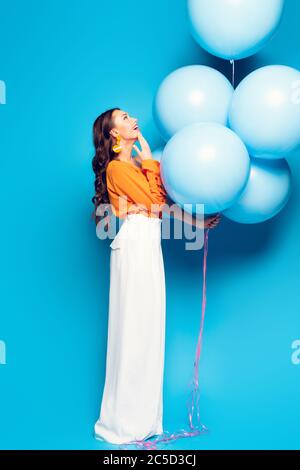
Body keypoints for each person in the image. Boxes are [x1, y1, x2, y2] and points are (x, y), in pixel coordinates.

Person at [91, 107, 220, 445]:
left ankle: (143, 420)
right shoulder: (119, 168)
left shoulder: (133, 166)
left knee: (148, 329)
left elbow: (157, 208)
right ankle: (124, 423)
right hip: (134, 248)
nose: (132, 119)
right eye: (123, 118)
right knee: (135, 331)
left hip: (146, 245)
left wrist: (197, 222)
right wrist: (149, 160)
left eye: (130, 115)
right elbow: (153, 200)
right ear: (113, 134)